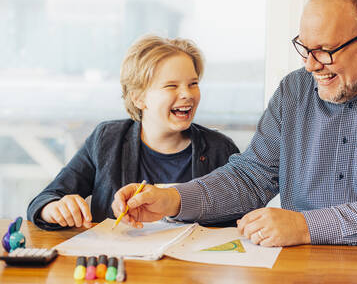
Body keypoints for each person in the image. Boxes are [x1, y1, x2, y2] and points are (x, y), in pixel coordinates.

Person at [111, 0, 357, 246]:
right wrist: (172, 198)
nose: (311, 65)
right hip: (301, 266)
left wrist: (305, 225)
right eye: (304, 47)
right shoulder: (294, 90)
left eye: (325, 50)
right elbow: (251, 177)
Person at [27, 35, 239, 230]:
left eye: (193, 84)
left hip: (189, 269)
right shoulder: (106, 139)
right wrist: (53, 209)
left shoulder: (220, 149)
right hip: (120, 266)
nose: (187, 94)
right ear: (138, 98)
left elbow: (241, 216)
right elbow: (46, 198)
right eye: (171, 86)